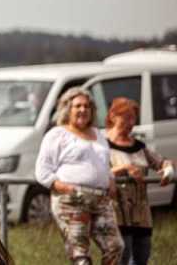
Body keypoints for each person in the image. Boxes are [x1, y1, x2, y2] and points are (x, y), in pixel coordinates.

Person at [35, 87, 124, 265]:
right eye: (77, 106)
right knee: (80, 255)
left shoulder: (98, 135)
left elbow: (103, 163)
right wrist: (66, 188)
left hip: (101, 200)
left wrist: (110, 180)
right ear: (68, 109)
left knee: (115, 247)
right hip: (72, 200)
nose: (83, 110)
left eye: (86, 106)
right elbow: (42, 171)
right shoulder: (57, 135)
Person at [106, 97, 174, 265]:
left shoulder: (139, 147)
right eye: (127, 117)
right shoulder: (102, 146)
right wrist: (125, 168)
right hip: (117, 213)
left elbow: (162, 161)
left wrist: (168, 171)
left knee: (142, 257)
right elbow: (97, 174)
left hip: (141, 215)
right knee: (124, 256)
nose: (131, 123)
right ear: (113, 116)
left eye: (133, 118)